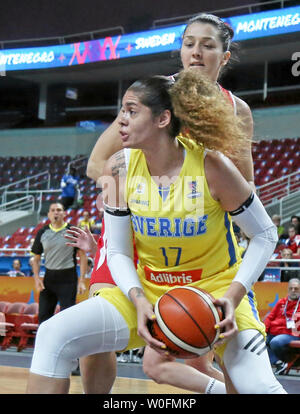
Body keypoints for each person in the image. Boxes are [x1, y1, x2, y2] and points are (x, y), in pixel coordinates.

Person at [26, 71, 285, 394]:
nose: (121, 120)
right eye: (122, 110)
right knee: (52, 335)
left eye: (132, 111)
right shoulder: (117, 168)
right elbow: (118, 250)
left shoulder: (212, 166)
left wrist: (233, 295)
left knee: (259, 388)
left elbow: (264, 235)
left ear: (163, 119)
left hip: (215, 293)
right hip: (147, 289)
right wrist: (137, 299)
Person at [80, 12, 254, 394]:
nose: (196, 53)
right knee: (94, 341)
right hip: (137, 229)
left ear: (224, 57)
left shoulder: (237, 110)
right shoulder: (153, 94)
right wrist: (139, 193)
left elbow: (246, 187)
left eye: (208, 46)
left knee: (209, 351)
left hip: (194, 236)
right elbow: (96, 163)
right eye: (189, 44)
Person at [31, 202, 87, 324]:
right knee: (43, 318)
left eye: (59, 210)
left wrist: (82, 280)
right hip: (48, 280)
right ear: (49, 214)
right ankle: (44, 343)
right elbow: (36, 258)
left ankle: (67, 343)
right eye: (53, 210)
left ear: (64, 213)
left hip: (68, 280)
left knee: (67, 319)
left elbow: (83, 256)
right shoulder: (42, 232)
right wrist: (36, 278)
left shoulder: (73, 231)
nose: (56, 212)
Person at [265, 278, 300, 375]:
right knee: (259, 340)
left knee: (276, 341)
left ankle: (285, 361)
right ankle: (278, 363)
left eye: (296, 289)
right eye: (291, 288)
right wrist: (263, 331)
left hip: (291, 334)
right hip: (274, 332)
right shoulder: (281, 302)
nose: (293, 291)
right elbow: (270, 317)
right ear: (288, 290)